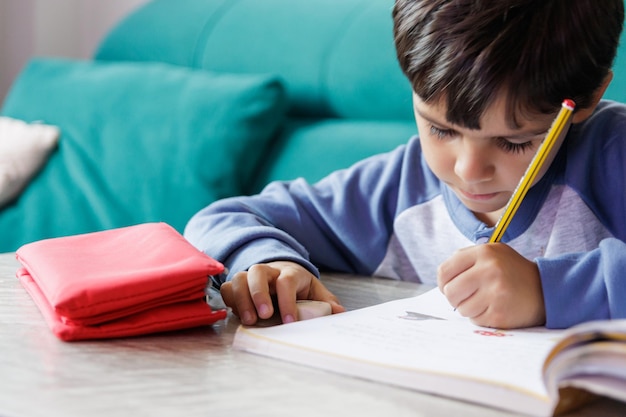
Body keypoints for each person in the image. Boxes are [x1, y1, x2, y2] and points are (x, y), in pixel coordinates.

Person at [184, 0, 626, 330]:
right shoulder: (396, 190)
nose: (469, 170)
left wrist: (546, 291)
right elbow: (225, 217)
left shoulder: (612, 156)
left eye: (514, 142)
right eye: (441, 130)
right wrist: (271, 262)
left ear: (585, 99)